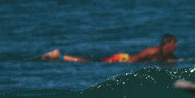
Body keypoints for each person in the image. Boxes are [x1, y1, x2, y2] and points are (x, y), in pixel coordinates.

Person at [42, 34, 178, 64]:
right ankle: (59, 55)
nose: (176, 45)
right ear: (168, 43)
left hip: (124, 58)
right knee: (91, 62)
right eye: (175, 42)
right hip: (122, 59)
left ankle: (60, 55)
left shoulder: (168, 55)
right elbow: (136, 59)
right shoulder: (153, 51)